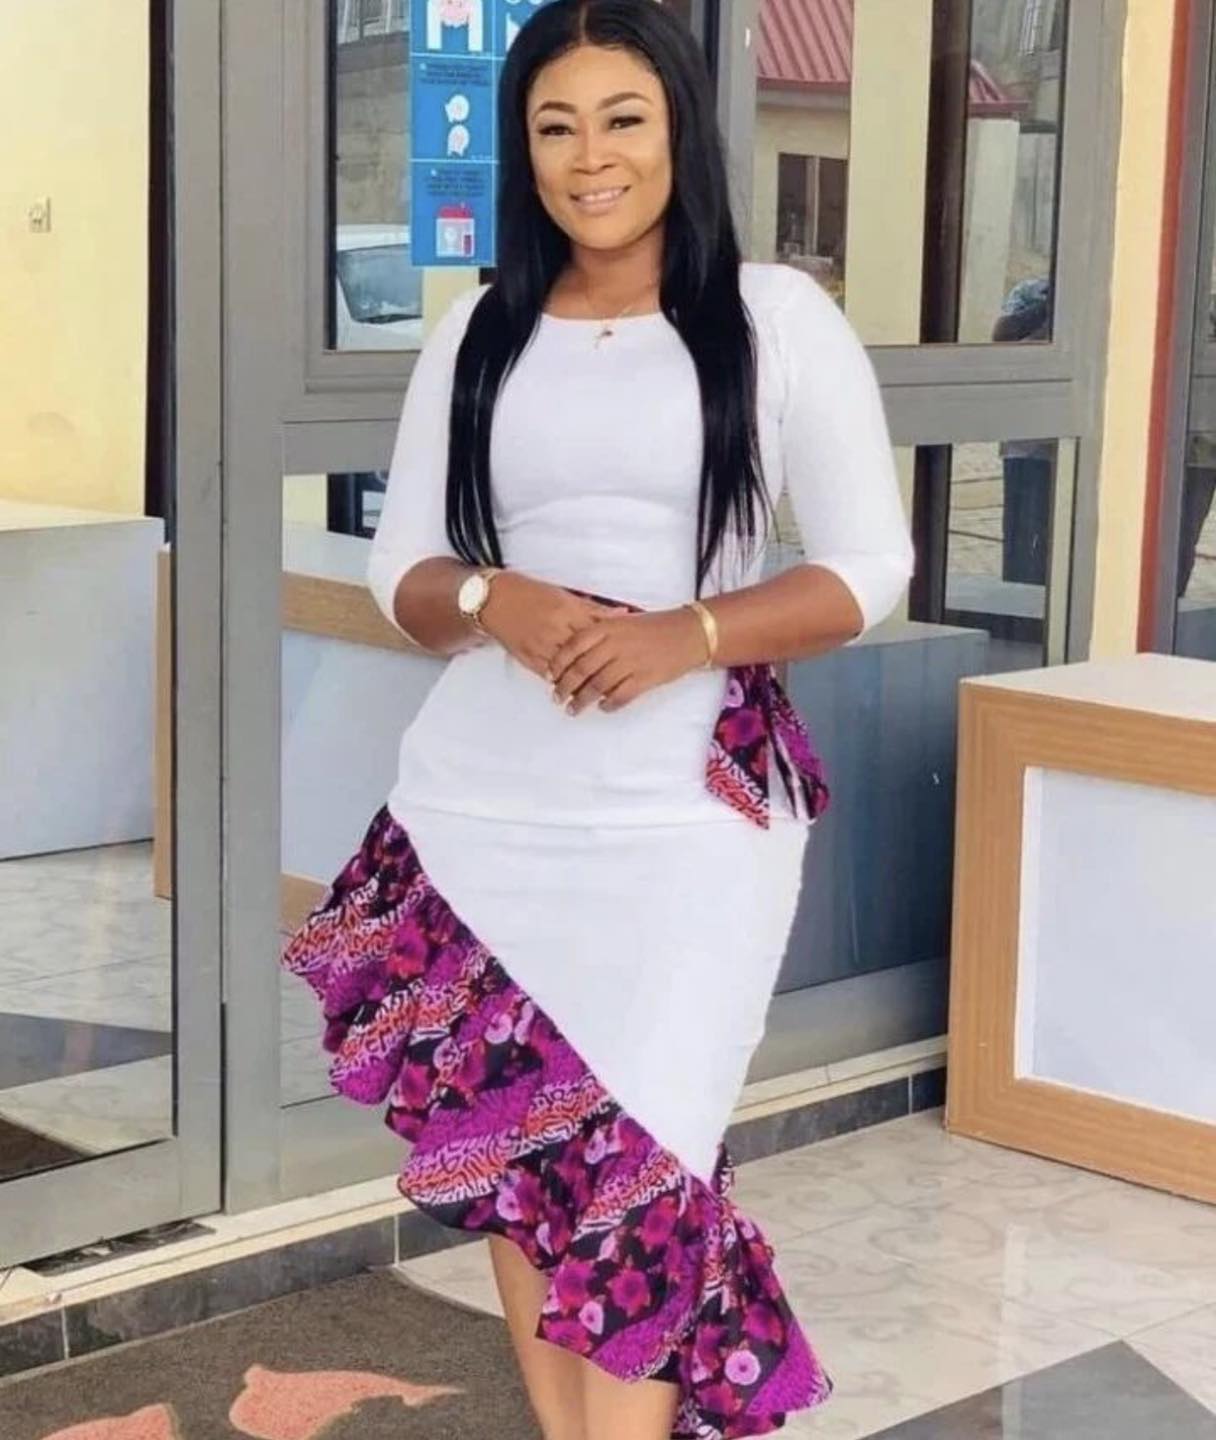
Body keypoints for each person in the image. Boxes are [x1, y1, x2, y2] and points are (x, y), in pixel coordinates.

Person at [281, 2, 913, 1436]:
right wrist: (489, 597)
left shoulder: (775, 320)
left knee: (647, 1170)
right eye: (555, 127)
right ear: (523, 151)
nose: (591, 158)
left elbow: (870, 565)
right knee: (525, 1161)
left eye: (623, 119)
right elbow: (405, 568)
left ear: (680, 127)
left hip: (688, 825)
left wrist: (689, 633)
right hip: (484, 811)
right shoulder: (479, 330)